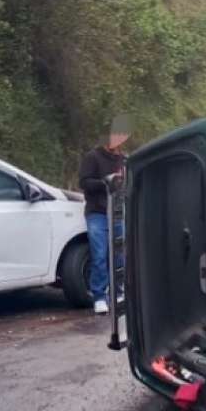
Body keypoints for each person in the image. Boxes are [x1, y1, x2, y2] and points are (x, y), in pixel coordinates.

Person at [78, 129, 130, 314]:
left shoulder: (124, 160)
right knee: (99, 254)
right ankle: (99, 296)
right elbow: (83, 182)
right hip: (97, 213)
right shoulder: (92, 157)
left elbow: (127, 185)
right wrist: (106, 182)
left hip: (117, 212)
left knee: (119, 254)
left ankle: (119, 292)